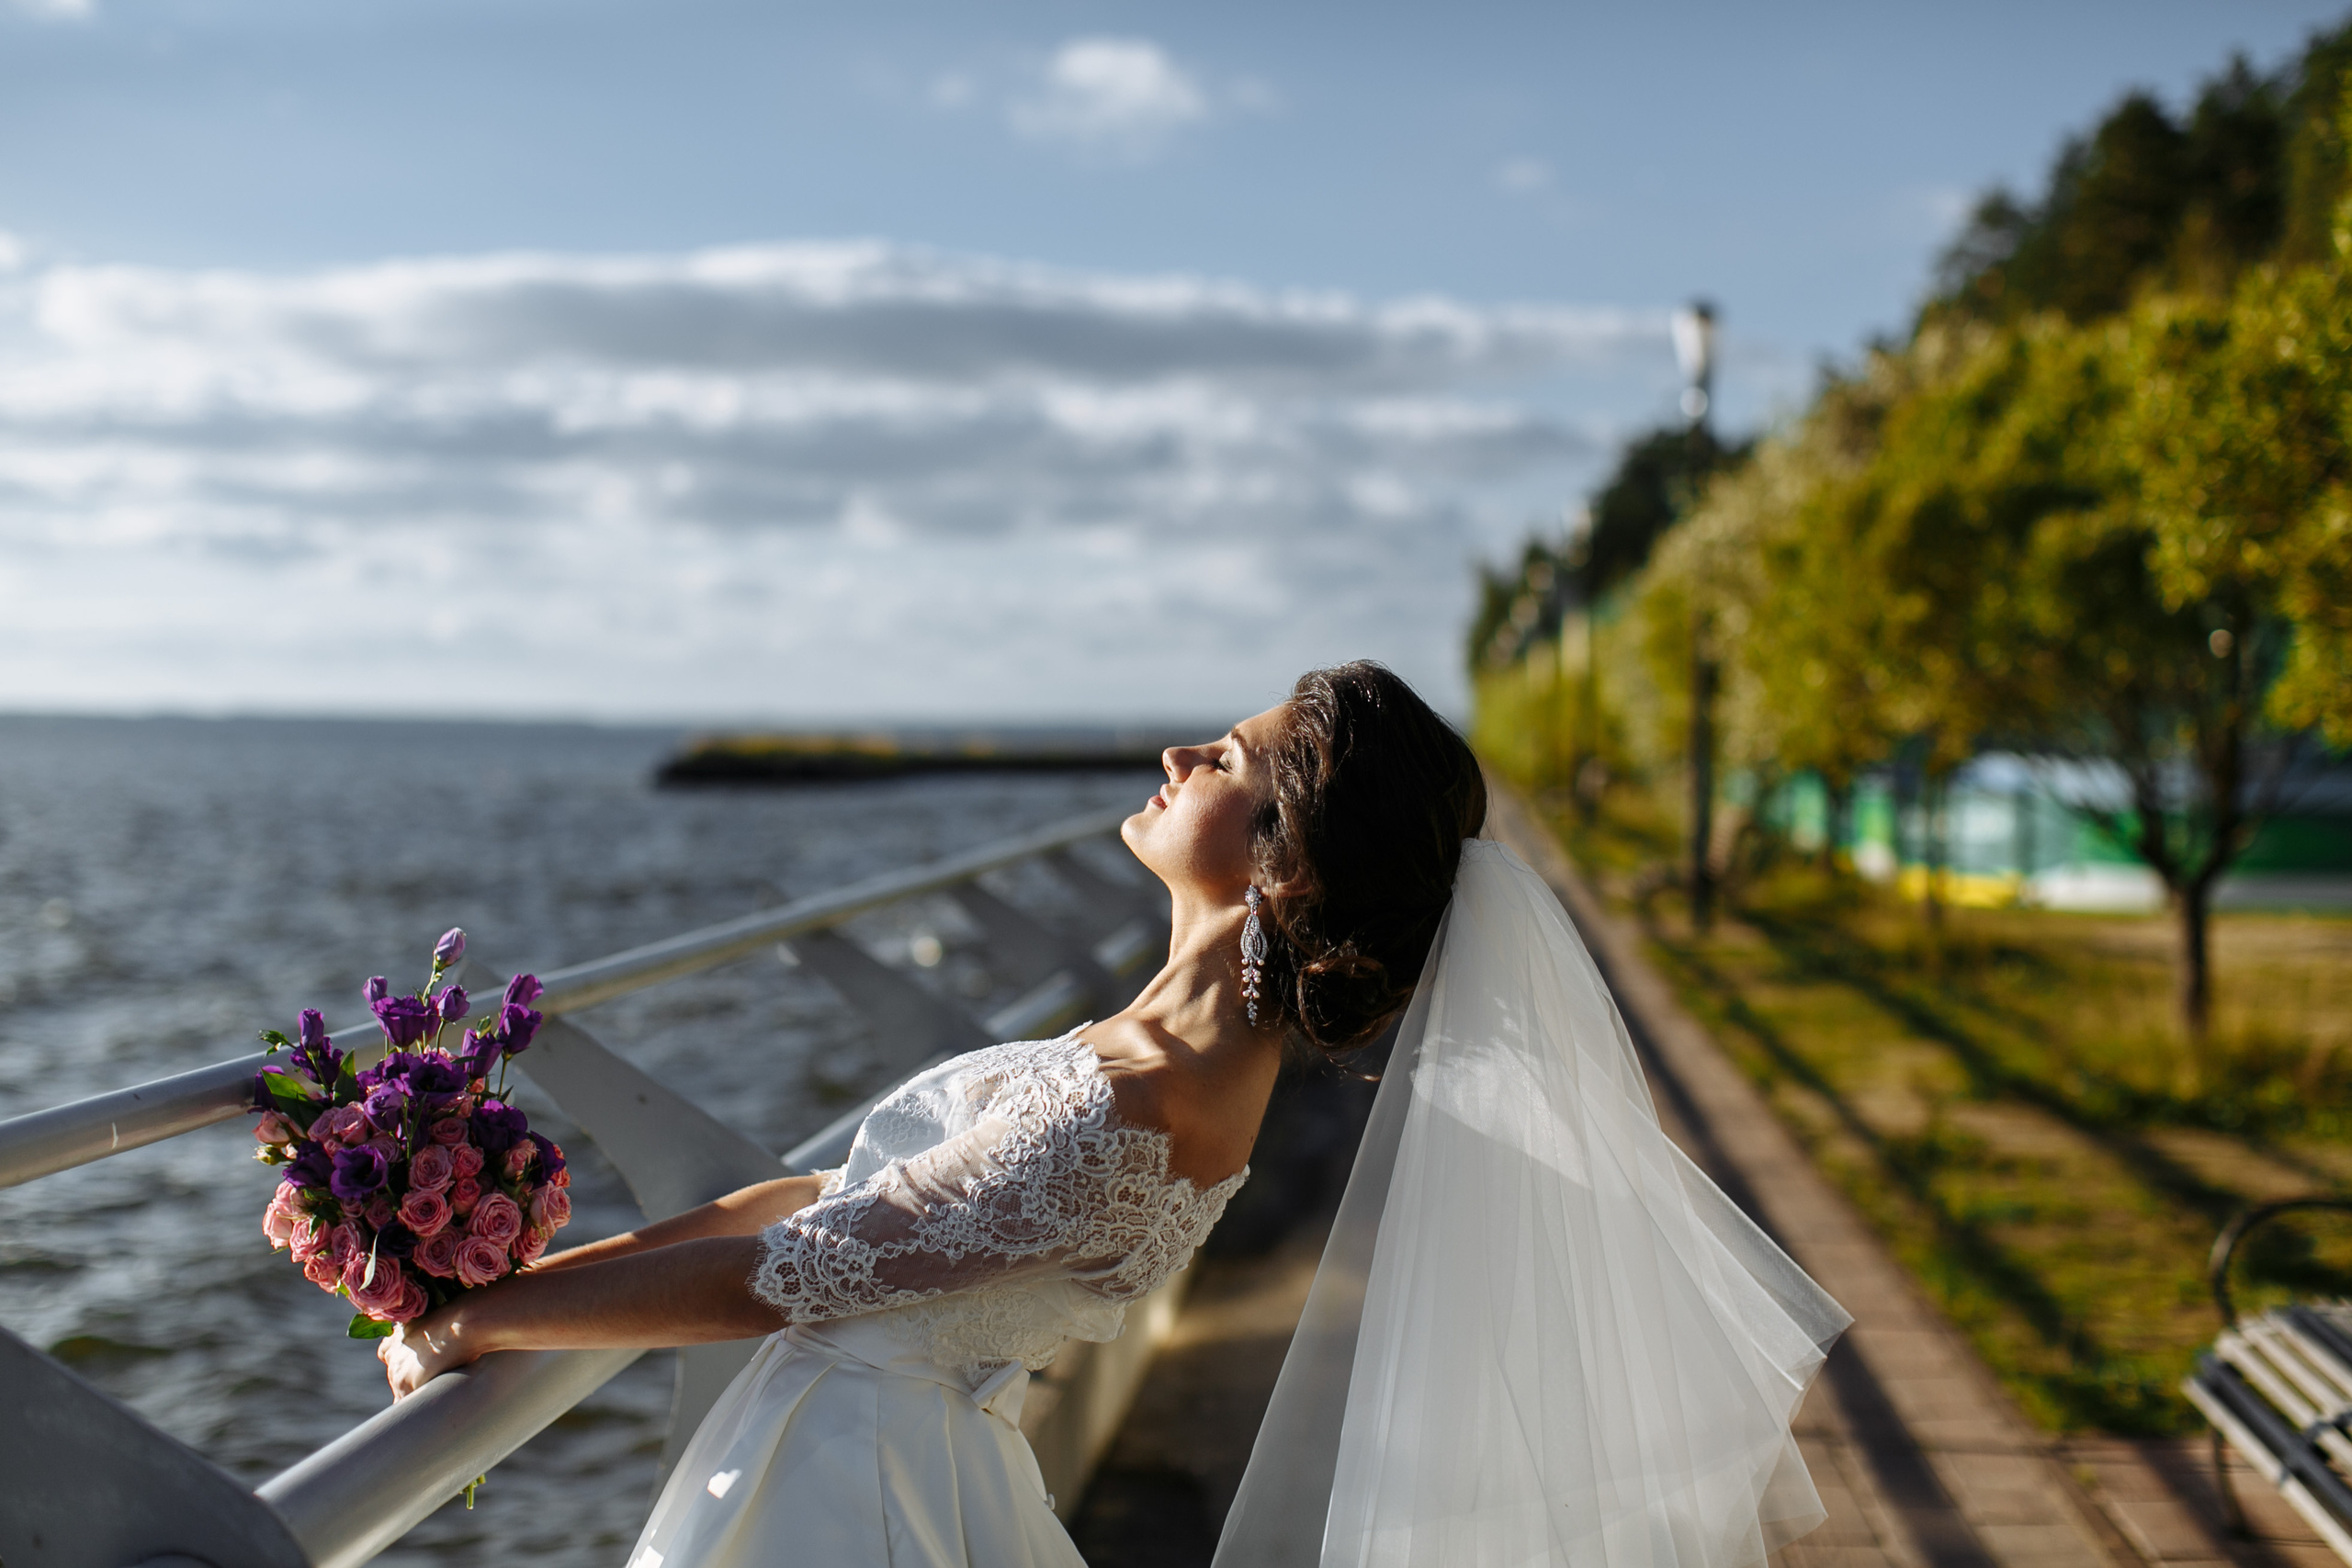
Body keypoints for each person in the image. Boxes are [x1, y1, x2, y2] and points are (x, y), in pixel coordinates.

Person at [382, 661, 1846, 1568]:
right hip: (850, 1449)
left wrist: (479, 1327)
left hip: (852, 1496)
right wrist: (513, 1284)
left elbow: (794, 1271)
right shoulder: (1140, 1048)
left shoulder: (1147, 1106)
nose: (1176, 759)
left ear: (1288, 865)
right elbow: (809, 1200)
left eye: (1226, 759)